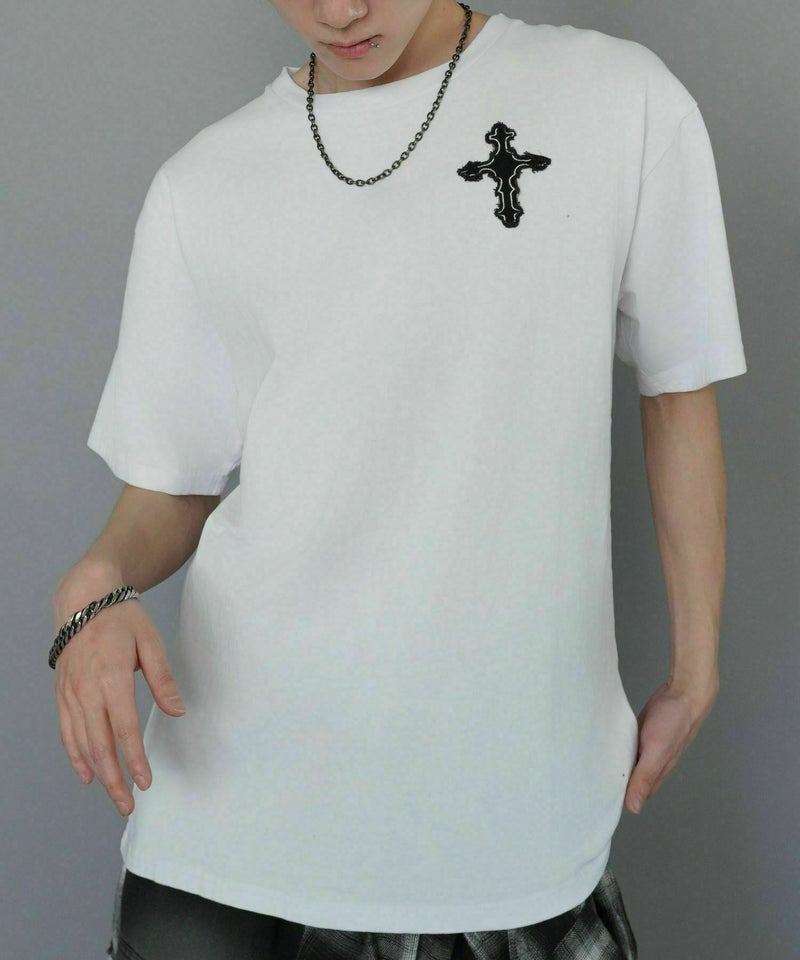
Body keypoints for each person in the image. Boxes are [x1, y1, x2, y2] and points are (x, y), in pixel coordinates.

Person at [51, 2, 747, 958]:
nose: (340, 10)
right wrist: (94, 583)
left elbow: (679, 391)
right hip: (229, 830)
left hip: (503, 823)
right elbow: (170, 489)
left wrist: (697, 665)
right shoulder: (202, 184)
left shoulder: (619, 101)